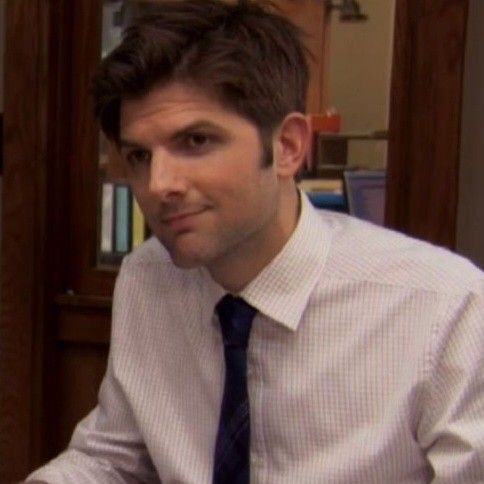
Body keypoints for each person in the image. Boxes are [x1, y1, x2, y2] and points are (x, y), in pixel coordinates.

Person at [26, 0, 484, 482]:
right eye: (140, 155)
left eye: (196, 142)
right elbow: (112, 460)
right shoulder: (148, 277)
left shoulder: (446, 310)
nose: (159, 184)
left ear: (288, 147)